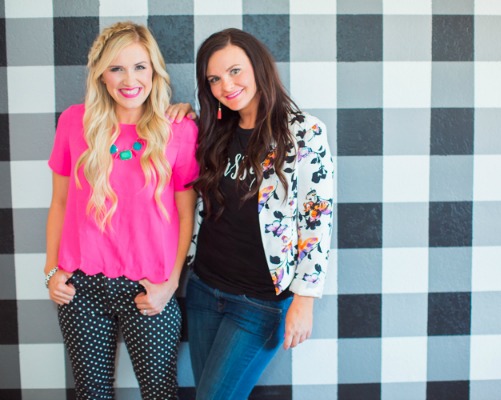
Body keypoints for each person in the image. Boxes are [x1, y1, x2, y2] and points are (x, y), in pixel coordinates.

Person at [44, 21, 198, 399]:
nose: (130, 79)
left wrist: (170, 284)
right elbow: (60, 202)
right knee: (91, 393)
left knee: (160, 393)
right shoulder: (73, 122)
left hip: (149, 287)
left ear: (153, 70)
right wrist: (50, 270)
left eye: (139, 66)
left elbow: (187, 214)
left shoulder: (178, 130)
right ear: (101, 74)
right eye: (116, 68)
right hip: (80, 288)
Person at [186, 28, 334, 399]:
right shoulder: (213, 130)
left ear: (258, 67)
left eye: (234, 71)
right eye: (214, 79)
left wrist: (304, 299)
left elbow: (317, 220)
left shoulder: (303, 132)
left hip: (259, 303)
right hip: (203, 288)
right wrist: (181, 115)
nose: (226, 86)